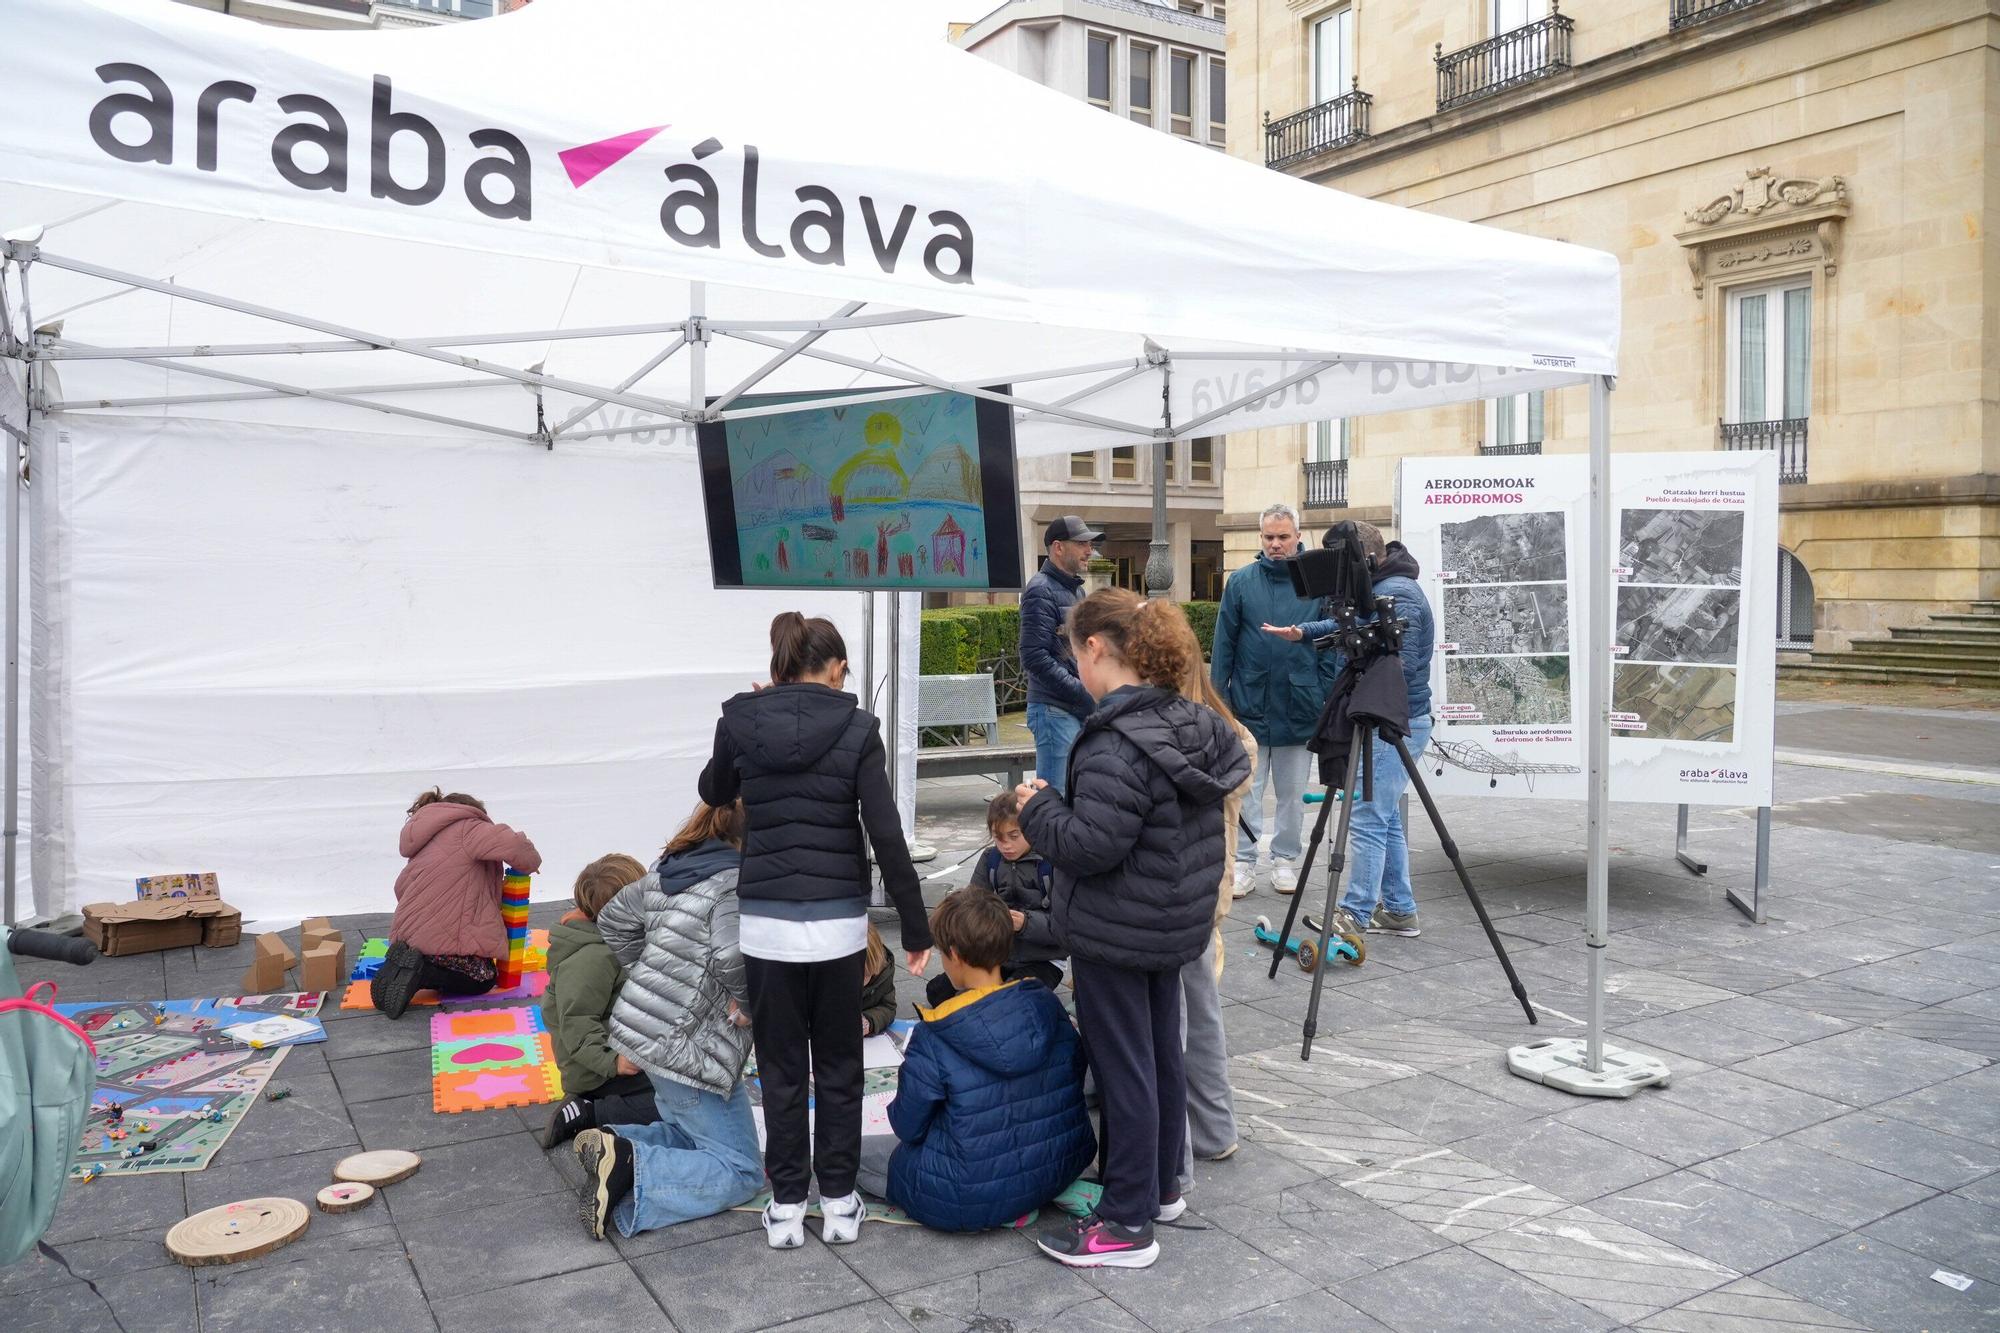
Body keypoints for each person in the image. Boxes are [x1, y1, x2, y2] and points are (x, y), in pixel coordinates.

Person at [1015, 589, 1250, 1270]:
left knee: (1125, 1070)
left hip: (1116, 928)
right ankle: (1160, 1188)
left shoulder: (1115, 738)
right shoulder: (1191, 720)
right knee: (1158, 1057)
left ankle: (1124, 1223)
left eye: (1074, 654)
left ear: (1095, 648)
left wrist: (1038, 810)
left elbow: (1091, 844)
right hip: (1170, 924)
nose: (1074, 668)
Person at [698, 611, 933, 1250]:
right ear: (836, 668)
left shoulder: (740, 720)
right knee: (838, 1066)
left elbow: (714, 790)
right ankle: (838, 1203)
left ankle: (784, 1208)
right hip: (837, 927)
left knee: (778, 1068)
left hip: (766, 925)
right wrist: (916, 927)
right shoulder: (858, 728)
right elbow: (886, 834)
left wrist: (747, 725)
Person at [570, 801, 765, 1241]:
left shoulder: (668, 871)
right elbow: (732, 954)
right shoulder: (733, 882)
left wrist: (650, 975)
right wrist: (750, 1004)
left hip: (648, 1034)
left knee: (691, 1131)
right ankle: (634, 1168)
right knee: (742, 1170)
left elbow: (613, 917)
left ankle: (615, 1144)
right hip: (691, 1045)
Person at [884, 888, 1095, 1232]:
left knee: (870, 1157)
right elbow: (1073, 1071)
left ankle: (1006, 1208)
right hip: (1060, 1162)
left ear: (954, 955)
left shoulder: (935, 1033)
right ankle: (1033, 1198)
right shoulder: (1046, 1002)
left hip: (968, 1193)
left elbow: (907, 1126)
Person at [1263, 520, 1435, 938]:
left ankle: (1355, 913)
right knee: (1384, 816)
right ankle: (1399, 911)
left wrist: (1357, 664)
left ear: (1363, 559)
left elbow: (1403, 664)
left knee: (1366, 816)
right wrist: (1305, 632)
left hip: (1393, 720)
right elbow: (1353, 625)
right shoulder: (1378, 587)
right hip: (1382, 716)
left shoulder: (1399, 593)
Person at [1210, 504, 1340, 897]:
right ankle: (1244, 862)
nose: (1275, 544)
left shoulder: (1316, 584)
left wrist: (1323, 692)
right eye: (1269, 537)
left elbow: (1330, 643)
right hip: (1248, 702)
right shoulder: (1241, 582)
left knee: (1292, 793)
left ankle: (1284, 860)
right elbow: (1224, 643)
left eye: (1283, 536)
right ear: (1261, 538)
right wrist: (1219, 700)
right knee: (1246, 791)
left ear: (1298, 537)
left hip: (1300, 704)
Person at [376, 788, 542, 1019]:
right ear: (471, 811)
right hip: (444, 947)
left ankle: (403, 965)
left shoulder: (427, 838)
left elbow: (401, 887)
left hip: (410, 941)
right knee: (482, 979)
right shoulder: (469, 828)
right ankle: (422, 973)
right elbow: (516, 847)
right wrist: (532, 862)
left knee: (441, 953)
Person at [1176, 665, 1251, 1169]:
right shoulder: (1225, 732)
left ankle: (1176, 1152)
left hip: (1178, 895)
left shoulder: (1182, 733)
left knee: (1178, 1021)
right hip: (1205, 889)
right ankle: (1213, 1128)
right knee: (1201, 1010)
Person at [541, 853, 661, 1149]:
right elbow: (577, 1025)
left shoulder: (618, 940)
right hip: (599, 1071)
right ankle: (589, 1111)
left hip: (623, 1051)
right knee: (677, 1105)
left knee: (691, 1089)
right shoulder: (592, 958)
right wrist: (612, 1061)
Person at [923, 791, 1064, 1008]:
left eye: (1014, 836)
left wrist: (1025, 923)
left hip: (1044, 959)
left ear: (1031, 829)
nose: (1006, 845)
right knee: (938, 992)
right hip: (996, 957)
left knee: (1010, 1000)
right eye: (998, 837)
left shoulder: (1052, 864)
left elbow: (1066, 927)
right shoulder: (991, 859)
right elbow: (972, 905)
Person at [1019, 515, 1103, 795]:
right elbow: (1034, 657)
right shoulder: (1040, 590)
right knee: (1056, 797)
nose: (1089, 550)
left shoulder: (1076, 590)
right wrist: (1082, 692)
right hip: (1055, 710)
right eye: (1081, 543)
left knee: (1073, 795)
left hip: (1071, 709)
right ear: (1058, 547)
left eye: (1090, 544)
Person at [860, 924, 898, 1038]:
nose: (859, 983)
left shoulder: (883, 972)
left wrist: (869, 1022)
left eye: (866, 975)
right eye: (852, 977)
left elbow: (888, 1007)